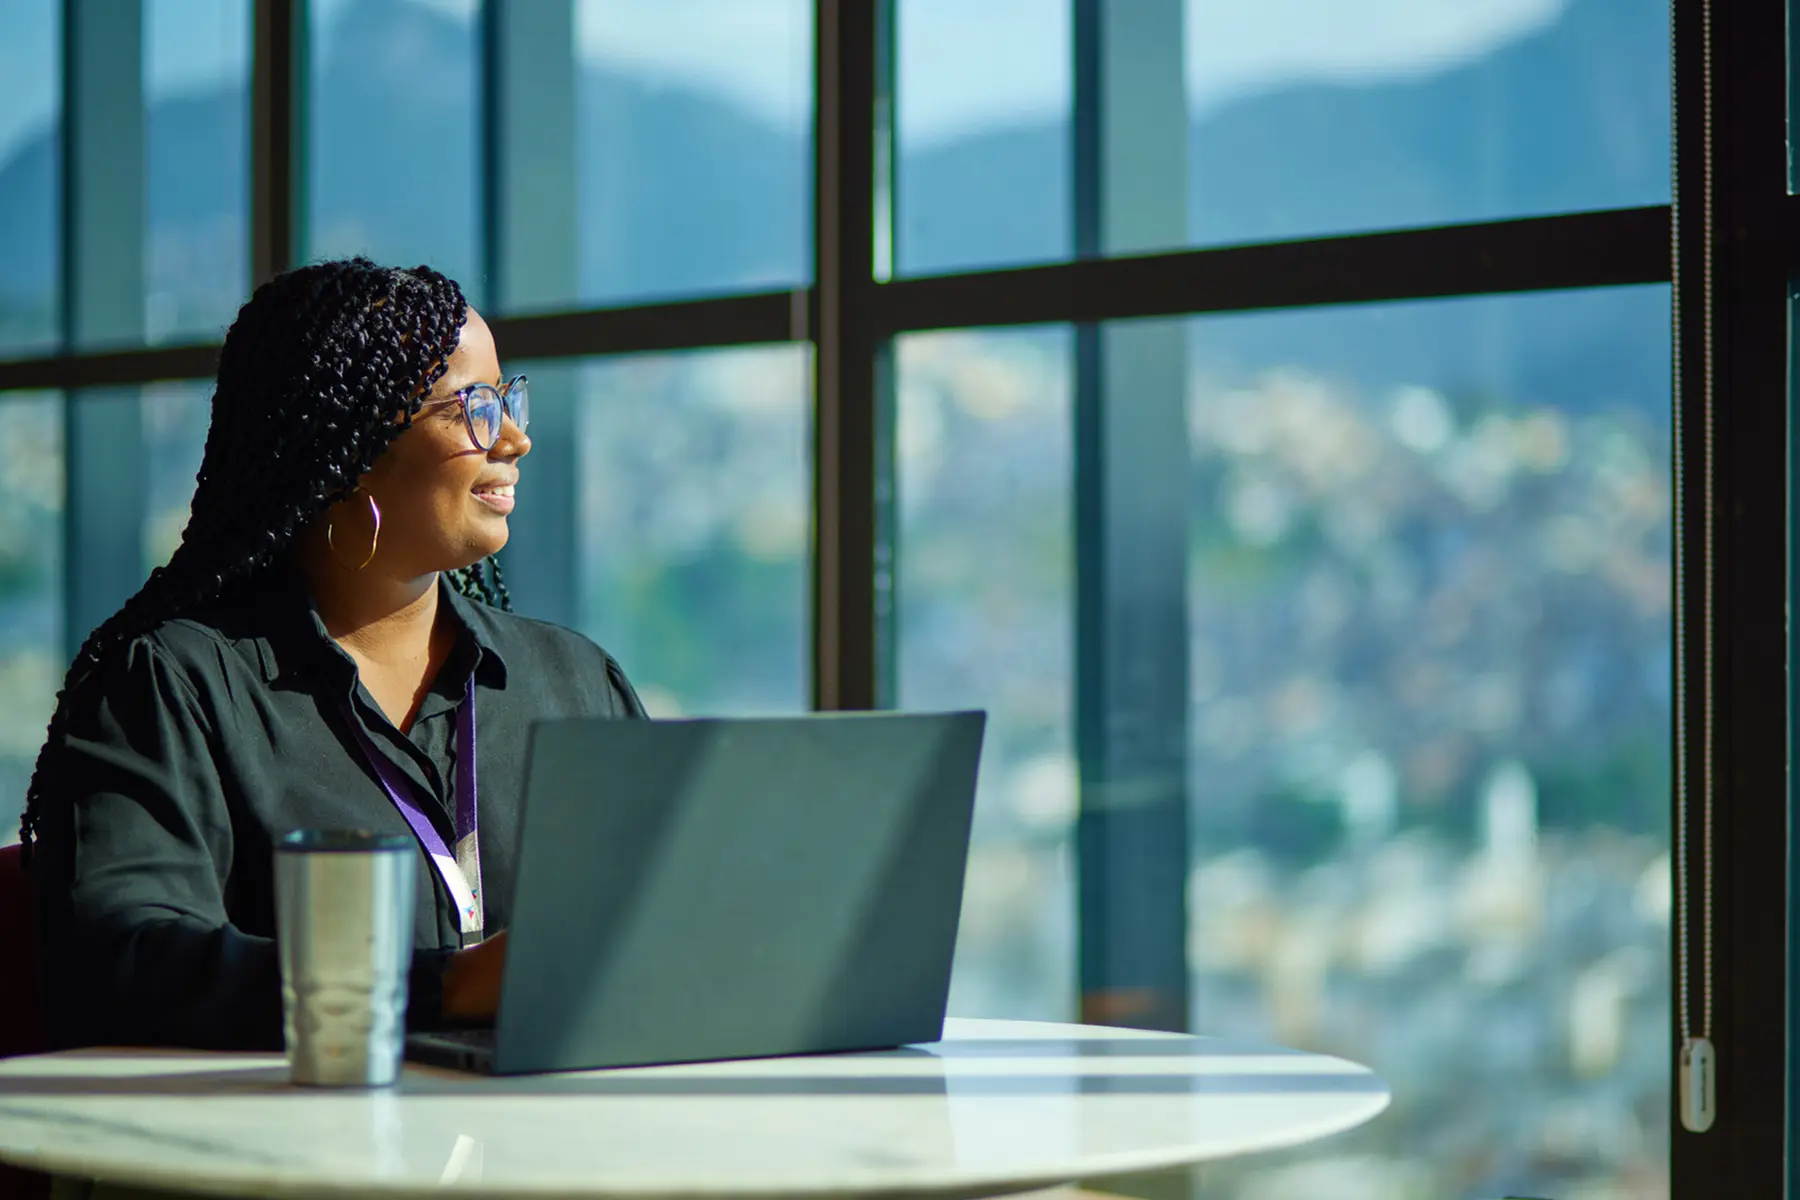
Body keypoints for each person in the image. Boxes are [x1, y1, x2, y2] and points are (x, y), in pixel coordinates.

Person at [20, 258, 644, 1050]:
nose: (514, 438)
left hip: (555, 1148)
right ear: (351, 445)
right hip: (287, 1156)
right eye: (474, 409)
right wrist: (442, 987)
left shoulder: (576, 682)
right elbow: (126, 963)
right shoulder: (172, 687)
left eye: (508, 399)